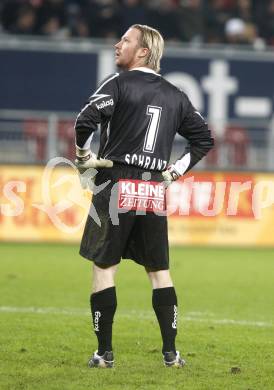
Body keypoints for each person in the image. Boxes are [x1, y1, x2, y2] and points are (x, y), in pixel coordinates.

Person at [74, 24, 214, 368]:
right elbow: (204, 139)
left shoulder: (118, 84)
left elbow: (84, 120)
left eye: (126, 40)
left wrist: (82, 155)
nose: (117, 43)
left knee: (104, 268)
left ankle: (104, 353)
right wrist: (174, 172)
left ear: (143, 51)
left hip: (116, 183)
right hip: (152, 189)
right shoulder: (176, 95)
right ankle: (171, 353)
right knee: (159, 271)